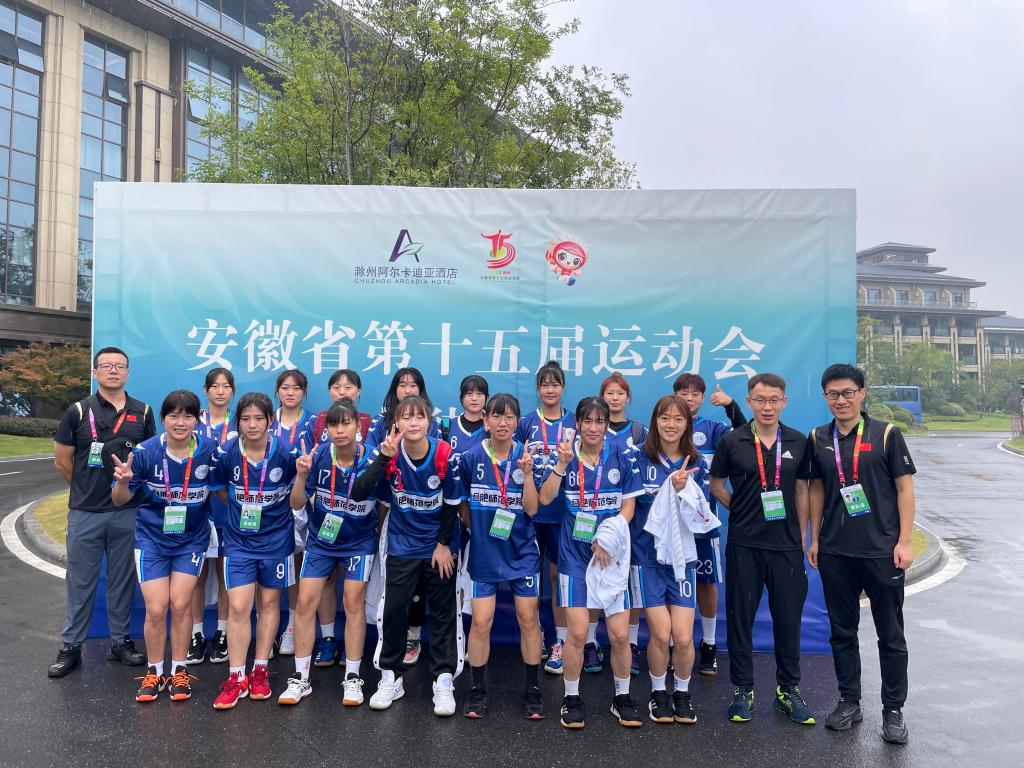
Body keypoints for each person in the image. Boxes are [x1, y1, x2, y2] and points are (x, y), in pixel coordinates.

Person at [806, 364, 917, 745]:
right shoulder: (818, 437)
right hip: (836, 551)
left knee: (891, 634)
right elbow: (817, 489)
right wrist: (815, 538)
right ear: (825, 397)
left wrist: (904, 541)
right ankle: (849, 701)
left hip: (881, 551)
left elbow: (904, 489)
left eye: (848, 393)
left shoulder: (886, 434)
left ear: (862, 393)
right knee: (842, 632)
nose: (841, 400)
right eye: (833, 394)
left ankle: (893, 709)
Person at [709, 373, 815, 725]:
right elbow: (716, 484)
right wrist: (738, 509)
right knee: (740, 619)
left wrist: (801, 537)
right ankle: (743, 690)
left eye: (773, 400)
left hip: (786, 547)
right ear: (749, 401)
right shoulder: (733, 440)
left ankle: (788, 690)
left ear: (784, 401)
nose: (767, 406)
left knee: (788, 619)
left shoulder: (798, 441)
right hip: (744, 544)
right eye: (760, 400)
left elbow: (802, 491)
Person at [278, 399, 397, 706]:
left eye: (346, 423)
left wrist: (373, 538)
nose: (340, 430)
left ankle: (353, 677)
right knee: (305, 602)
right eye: (333, 424)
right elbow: (295, 503)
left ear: (358, 426)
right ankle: (301, 677)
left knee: (353, 602)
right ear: (327, 429)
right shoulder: (317, 456)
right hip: (321, 541)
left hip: (359, 542)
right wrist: (301, 476)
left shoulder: (375, 458)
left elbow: (384, 505)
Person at [49, 347, 156, 678]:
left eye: (119, 365)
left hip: (128, 511)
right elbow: (62, 461)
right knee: (80, 581)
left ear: (127, 372)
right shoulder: (79, 411)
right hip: (86, 511)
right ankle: (71, 646)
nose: (113, 370)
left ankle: (120, 641)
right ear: (95, 372)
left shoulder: (143, 411)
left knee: (122, 580)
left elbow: (148, 460)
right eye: (106, 365)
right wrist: (86, 488)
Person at [538, 396, 645, 730]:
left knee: (619, 635)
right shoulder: (565, 454)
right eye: (588, 421)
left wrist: (607, 539)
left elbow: (628, 508)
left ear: (607, 425)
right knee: (578, 632)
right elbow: (544, 498)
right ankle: (571, 698)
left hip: (610, 556)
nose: (594, 427)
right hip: (574, 557)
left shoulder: (623, 456)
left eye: (600, 421)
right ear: (578, 424)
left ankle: (622, 698)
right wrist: (561, 465)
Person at [111, 390, 220, 702]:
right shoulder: (145, 452)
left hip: (191, 540)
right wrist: (122, 482)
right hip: (152, 539)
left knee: (181, 604)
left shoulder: (209, 450)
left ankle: (180, 670)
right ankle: (155, 671)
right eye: (174, 416)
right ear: (163, 419)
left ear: (197, 419)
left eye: (187, 416)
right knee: (157, 608)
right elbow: (119, 500)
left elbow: (225, 486)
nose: (180, 422)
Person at [369, 395, 465, 717]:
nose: (413, 423)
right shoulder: (390, 453)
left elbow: (452, 505)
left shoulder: (444, 454)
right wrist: (382, 459)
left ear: (429, 421)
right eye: (406, 417)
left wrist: (443, 544)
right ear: (396, 422)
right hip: (402, 543)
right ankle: (390, 676)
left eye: (419, 417)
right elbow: (364, 493)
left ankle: (443, 679)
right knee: (395, 610)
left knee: (442, 611)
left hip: (439, 545)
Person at [209, 392, 299, 709]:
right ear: (238, 422)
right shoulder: (227, 451)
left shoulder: (287, 453)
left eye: (259, 418)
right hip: (238, 540)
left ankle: (260, 670)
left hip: (276, 540)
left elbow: (296, 495)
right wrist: (244, 504)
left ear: (270, 420)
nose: (252, 424)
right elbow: (220, 488)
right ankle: (236, 677)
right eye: (246, 419)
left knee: (270, 602)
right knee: (238, 606)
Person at [458, 393, 544, 720]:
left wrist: (528, 475)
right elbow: (462, 502)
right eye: (496, 416)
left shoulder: (527, 457)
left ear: (517, 422)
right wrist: (476, 531)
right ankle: (477, 689)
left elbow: (532, 509)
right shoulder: (470, 458)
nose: (502, 423)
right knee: (481, 621)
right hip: (485, 554)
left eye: (509, 417)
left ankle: (533, 689)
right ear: (485, 420)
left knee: (528, 618)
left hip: (522, 552)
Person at [629, 395, 704, 724]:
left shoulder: (696, 463)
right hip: (645, 559)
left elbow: (700, 517)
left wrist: (684, 491)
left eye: (678, 419)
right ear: (655, 421)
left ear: (687, 424)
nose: (671, 425)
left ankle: (682, 693)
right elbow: (628, 508)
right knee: (660, 634)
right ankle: (658, 692)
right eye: (664, 418)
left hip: (681, 562)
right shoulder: (637, 459)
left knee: (684, 637)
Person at [364, 367, 441, 667]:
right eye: (402, 384)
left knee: (421, 583)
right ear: (394, 390)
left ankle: (414, 635)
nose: (408, 389)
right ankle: (389, 643)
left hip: (426, 514)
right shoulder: (379, 424)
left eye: (413, 384)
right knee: (392, 583)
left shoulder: (431, 424)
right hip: (389, 506)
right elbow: (373, 468)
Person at [672, 373, 747, 675]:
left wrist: (731, 406)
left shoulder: (714, 429)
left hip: (704, 524)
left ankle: (710, 644)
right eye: (683, 392)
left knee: (706, 582)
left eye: (695, 394)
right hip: (671, 525)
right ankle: (675, 644)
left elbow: (745, 435)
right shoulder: (664, 428)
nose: (689, 398)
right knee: (672, 582)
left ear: (703, 399)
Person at [516, 360, 576, 675]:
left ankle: (560, 642)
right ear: (538, 389)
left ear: (563, 387)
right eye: (544, 384)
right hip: (531, 514)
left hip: (563, 514)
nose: (550, 389)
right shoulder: (526, 422)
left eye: (555, 384)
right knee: (533, 577)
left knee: (557, 578)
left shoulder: (575, 422)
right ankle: (536, 635)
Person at [310, 369, 372, 668]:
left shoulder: (373, 424)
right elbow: (308, 473)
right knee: (323, 584)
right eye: (337, 386)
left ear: (359, 391)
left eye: (349, 386)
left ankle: (353, 654)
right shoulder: (318, 424)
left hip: (359, 529)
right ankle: (327, 640)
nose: (343, 391)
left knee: (353, 596)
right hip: (324, 525)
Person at [600, 371, 648, 676]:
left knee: (631, 581)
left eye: (620, 393)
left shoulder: (640, 431)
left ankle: (631, 644)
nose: (615, 398)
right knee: (593, 576)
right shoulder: (593, 428)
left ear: (627, 398)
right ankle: (590, 643)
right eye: (610, 393)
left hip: (631, 515)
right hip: (597, 514)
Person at [188, 367, 237, 665]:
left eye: (226, 386)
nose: (220, 391)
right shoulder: (192, 421)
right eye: (215, 386)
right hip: (196, 509)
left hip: (229, 508)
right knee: (196, 574)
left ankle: (222, 632)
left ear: (232, 391)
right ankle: (195, 634)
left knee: (225, 573)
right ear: (206, 390)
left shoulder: (241, 423)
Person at [270, 369, 317, 656]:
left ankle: (291, 628)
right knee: (270, 566)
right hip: (269, 504)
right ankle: (267, 629)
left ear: (304, 392)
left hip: (303, 501)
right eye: (285, 387)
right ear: (277, 391)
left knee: (299, 567)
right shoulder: (265, 419)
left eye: (296, 388)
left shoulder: (313, 423)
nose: (290, 393)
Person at [445, 375, 489, 456]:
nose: (474, 398)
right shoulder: (447, 426)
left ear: (486, 397)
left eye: (479, 394)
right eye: (469, 394)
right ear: (462, 398)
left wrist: (490, 434)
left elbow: (497, 458)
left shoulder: (494, 426)